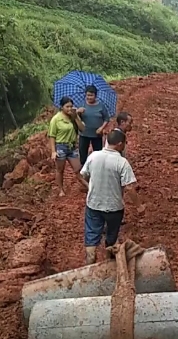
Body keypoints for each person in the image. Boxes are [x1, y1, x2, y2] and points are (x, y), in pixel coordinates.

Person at [80, 128, 139, 264]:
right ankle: (108, 263)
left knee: (91, 236)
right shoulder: (122, 162)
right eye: (125, 143)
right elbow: (129, 187)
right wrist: (139, 206)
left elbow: (82, 175)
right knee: (111, 237)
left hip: (93, 204)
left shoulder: (93, 156)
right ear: (119, 144)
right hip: (114, 208)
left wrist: (90, 187)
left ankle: (90, 262)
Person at [48, 97, 88, 197]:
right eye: (67, 107)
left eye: (71, 106)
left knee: (78, 169)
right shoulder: (56, 119)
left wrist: (76, 117)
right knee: (60, 170)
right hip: (61, 146)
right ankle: (61, 189)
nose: (69, 109)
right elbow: (52, 136)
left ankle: (88, 186)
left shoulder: (74, 117)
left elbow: (82, 129)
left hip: (72, 146)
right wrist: (53, 151)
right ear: (62, 107)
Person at [77, 85, 111, 167]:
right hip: (84, 134)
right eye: (87, 95)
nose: (89, 97)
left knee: (97, 153)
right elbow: (76, 119)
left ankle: (96, 168)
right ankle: (83, 170)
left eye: (91, 95)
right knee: (82, 153)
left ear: (95, 95)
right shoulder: (82, 105)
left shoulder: (101, 106)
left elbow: (106, 118)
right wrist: (78, 112)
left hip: (97, 134)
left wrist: (101, 128)